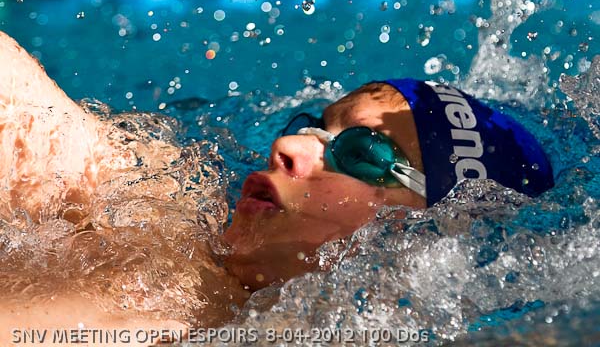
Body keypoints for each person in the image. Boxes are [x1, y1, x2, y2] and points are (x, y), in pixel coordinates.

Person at [0, 31, 554, 343]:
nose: (286, 147)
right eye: (311, 127)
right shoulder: (152, 196)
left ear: (429, 236)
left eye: (362, 153)